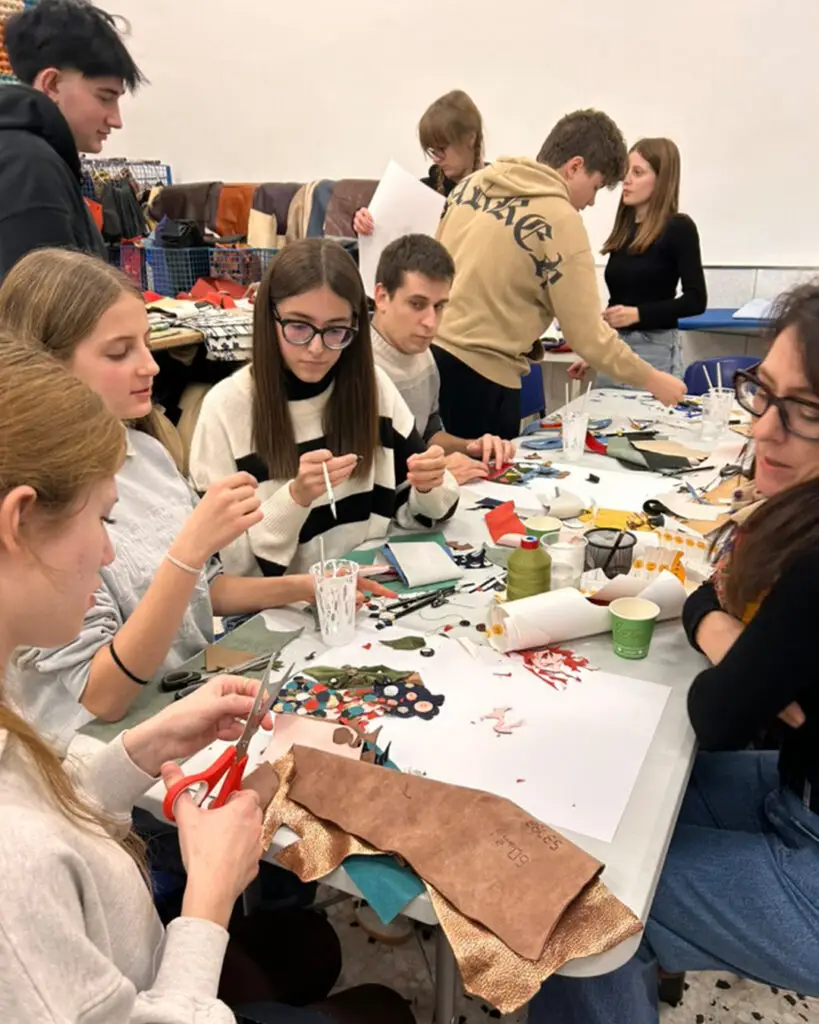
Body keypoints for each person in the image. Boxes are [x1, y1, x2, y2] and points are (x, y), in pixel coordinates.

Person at [0, 341, 415, 1024]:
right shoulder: (17, 879)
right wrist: (210, 900)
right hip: (155, 998)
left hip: (127, 955)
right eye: (101, 521)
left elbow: (41, 807)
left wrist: (135, 755)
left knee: (308, 945)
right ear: (20, 521)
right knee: (383, 1010)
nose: (108, 553)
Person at [528, 282, 819, 1023]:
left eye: (807, 412)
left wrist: (720, 632)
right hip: (798, 790)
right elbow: (725, 637)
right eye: (763, 395)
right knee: (628, 798)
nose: (764, 432)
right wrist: (744, 650)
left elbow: (717, 710)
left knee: (573, 901)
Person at [0, 248, 392, 749]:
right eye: (119, 352)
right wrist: (186, 553)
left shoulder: (147, 453)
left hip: (185, 713)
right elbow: (101, 696)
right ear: (47, 366)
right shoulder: (45, 501)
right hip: (103, 754)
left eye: (146, 344)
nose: (151, 367)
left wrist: (305, 586)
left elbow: (207, 591)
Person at [190, 239, 459, 577]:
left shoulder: (373, 386)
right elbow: (222, 572)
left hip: (365, 599)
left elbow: (416, 513)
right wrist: (295, 498)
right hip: (275, 610)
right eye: (299, 326)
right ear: (268, 316)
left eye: (336, 330)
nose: (317, 348)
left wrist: (429, 485)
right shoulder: (225, 408)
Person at [431, 109, 686, 439]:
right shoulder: (560, 219)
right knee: (483, 484)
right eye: (595, 187)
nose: (592, 202)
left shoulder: (470, 185)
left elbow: (436, 270)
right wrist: (655, 380)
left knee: (437, 483)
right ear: (575, 167)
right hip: (485, 381)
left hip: (431, 363)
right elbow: (587, 335)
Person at [0, 0, 142, 278]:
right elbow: (43, 312)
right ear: (51, 84)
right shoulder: (30, 166)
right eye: (105, 97)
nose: (116, 120)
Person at [372, 234, 516, 483]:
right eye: (417, 304)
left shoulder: (424, 355)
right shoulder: (354, 366)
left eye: (439, 307)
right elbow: (358, 476)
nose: (431, 322)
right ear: (382, 297)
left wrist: (471, 446)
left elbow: (428, 434)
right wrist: (437, 475)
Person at [593, 137, 706, 386]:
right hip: (615, 350)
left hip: (655, 351)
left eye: (638, 172)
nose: (627, 180)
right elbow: (618, 302)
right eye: (626, 172)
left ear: (661, 180)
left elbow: (696, 300)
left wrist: (639, 314)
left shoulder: (679, 228)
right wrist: (596, 354)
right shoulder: (624, 230)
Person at [353, 89, 485, 236]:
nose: (436, 159)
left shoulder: (498, 189)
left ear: (470, 138)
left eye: (442, 148)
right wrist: (366, 223)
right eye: (432, 151)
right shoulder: (421, 193)